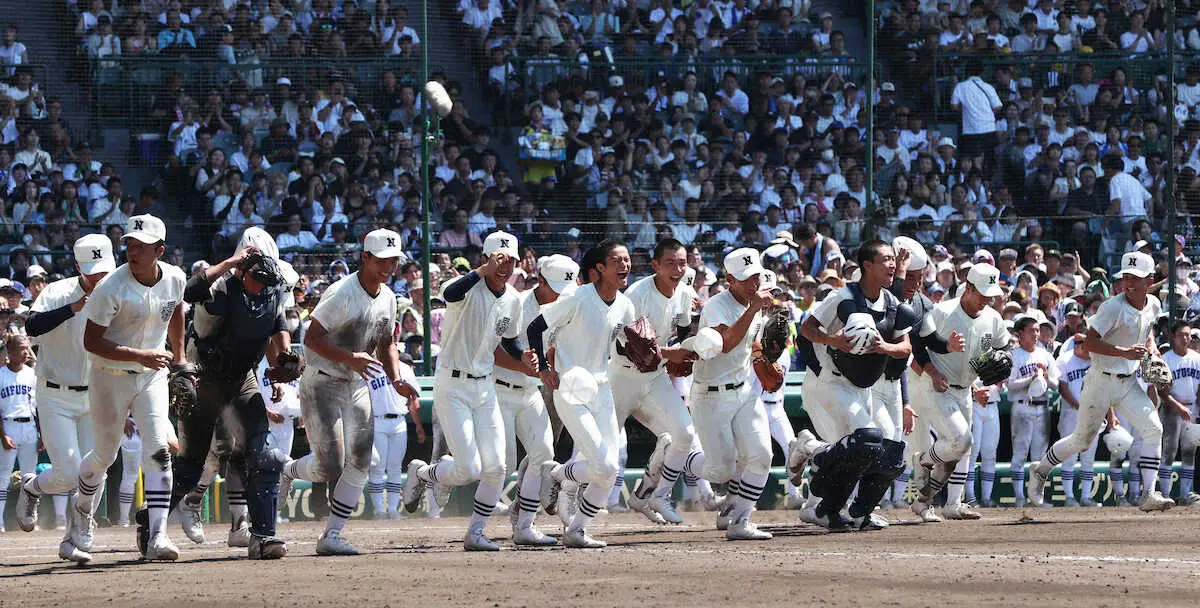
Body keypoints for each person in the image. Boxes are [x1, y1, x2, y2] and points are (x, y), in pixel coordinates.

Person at [69, 214, 188, 563]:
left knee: (158, 449)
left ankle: (159, 535)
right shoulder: (110, 288)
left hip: (150, 376)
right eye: (129, 245)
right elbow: (92, 342)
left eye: (141, 246)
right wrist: (141, 355)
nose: (132, 251)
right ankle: (81, 507)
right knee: (105, 456)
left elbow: (177, 309)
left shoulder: (175, 278)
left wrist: (179, 357)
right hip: (109, 376)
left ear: (160, 250)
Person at [279, 229, 406, 555]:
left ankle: (332, 535)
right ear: (365, 257)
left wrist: (395, 379)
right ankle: (287, 470)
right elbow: (311, 339)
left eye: (393, 261)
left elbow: (387, 342)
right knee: (329, 466)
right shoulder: (341, 292)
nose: (389, 267)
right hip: (321, 382)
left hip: (356, 383)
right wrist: (351, 357)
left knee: (362, 459)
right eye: (382, 260)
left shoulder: (389, 297)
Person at [401, 231, 524, 551]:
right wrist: (482, 271)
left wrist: (525, 356)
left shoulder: (512, 298)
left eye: (510, 260)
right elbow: (449, 292)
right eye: (499, 259)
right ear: (485, 259)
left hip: (485, 387)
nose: (505, 265)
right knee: (468, 468)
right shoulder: (469, 286)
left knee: (497, 467)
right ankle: (425, 473)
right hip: (452, 384)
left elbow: (508, 338)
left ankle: (476, 532)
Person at [168, 245, 293, 559]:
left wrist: (285, 359)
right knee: (190, 467)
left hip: (241, 378)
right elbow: (190, 289)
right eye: (257, 278)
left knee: (266, 454)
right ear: (243, 272)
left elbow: (278, 325)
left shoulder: (272, 289)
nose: (263, 286)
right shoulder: (223, 287)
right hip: (205, 378)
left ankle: (263, 536)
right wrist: (229, 262)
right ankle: (151, 518)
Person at [1028, 251, 1174, 511]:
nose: (1128, 283)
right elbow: (1091, 342)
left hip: (1128, 382)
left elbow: (1147, 330)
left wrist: (1151, 348)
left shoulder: (1153, 305)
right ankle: (1041, 469)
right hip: (1100, 380)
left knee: (1154, 429)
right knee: (1081, 440)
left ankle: (1149, 494)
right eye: (1126, 276)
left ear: (1150, 280)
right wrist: (1124, 352)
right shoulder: (1112, 307)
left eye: (1136, 278)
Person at [791, 240, 915, 529]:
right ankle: (825, 505)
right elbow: (807, 329)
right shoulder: (842, 296)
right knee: (864, 441)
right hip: (830, 383)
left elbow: (906, 347)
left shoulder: (893, 304)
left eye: (892, 260)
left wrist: (884, 347)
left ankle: (859, 510)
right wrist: (832, 340)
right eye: (885, 259)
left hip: (864, 388)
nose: (892, 265)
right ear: (867, 266)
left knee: (892, 451)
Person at [13, 234, 114, 562]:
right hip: (55, 393)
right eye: (93, 271)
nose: (99, 278)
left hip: (94, 394)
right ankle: (32, 487)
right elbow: (31, 327)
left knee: (97, 469)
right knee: (70, 473)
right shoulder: (57, 291)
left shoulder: (117, 293)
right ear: (78, 267)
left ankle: (75, 535)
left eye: (104, 271)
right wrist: (74, 308)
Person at [530, 241, 636, 548]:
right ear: (600, 269)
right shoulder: (577, 296)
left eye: (627, 259)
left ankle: (575, 524)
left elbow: (623, 346)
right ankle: (564, 477)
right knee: (601, 464)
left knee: (611, 468)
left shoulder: (625, 305)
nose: (625, 265)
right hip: (571, 388)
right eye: (617, 260)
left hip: (603, 389)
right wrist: (544, 369)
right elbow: (536, 327)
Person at [686, 247, 775, 540]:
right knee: (720, 471)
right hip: (710, 395)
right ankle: (674, 457)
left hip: (744, 390)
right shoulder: (716, 306)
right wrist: (753, 309)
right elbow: (725, 343)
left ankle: (739, 520)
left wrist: (767, 361)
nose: (754, 283)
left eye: (757, 276)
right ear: (730, 280)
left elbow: (752, 345)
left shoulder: (757, 302)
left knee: (762, 454)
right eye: (747, 278)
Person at [613, 239, 702, 525]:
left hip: (655, 378)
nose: (677, 269)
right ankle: (567, 488)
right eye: (670, 263)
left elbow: (685, 331)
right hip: (621, 377)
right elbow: (622, 345)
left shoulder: (685, 293)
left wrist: (684, 352)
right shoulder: (637, 294)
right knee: (601, 448)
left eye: (682, 263)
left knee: (684, 434)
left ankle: (656, 495)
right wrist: (671, 353)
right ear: (655, 266)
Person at [908, 263, 1006, 522]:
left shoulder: (993, 319)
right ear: (968, 288)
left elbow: (991, 354)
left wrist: (984, 384)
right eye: (983, 293)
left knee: (963, 449)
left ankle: (951, 504)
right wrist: (932, 372)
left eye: (991, 294)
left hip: (965, 389)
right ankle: (924, 461)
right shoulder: (942, 311)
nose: (987, 299)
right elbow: (917, 344)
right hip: (936, 386)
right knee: (962, 441)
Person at [492, 254, 577, 545]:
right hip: (499, 389)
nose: (560, 295)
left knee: (544, 454)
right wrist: (530, 366)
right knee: (498, 463)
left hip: (532, 391)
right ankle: (430, 475)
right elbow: (495, 349)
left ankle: (524, 523)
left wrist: (547, 368)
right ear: (540, 280)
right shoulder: (516, 302)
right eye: (554, 287)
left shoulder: (568, 304)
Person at [366, 344, 423, 519]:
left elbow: (414, 398)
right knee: (377, 467)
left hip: (399, 420)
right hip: (378, 420)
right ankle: (379, 510)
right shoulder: (370, 368)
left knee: (395, 467)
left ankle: (392, 509)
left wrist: (419, 425)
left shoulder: (404, 368)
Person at [1006, 315, 1056, 507]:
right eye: (1031, 330)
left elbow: (1056, 383)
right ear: (1020, 334)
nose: (1036, 334)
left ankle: (1037, 497)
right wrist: (1031, 378)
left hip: (1042, 407)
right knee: (1019, 454)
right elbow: (1010, 385)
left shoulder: (1044, 354)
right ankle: (1019, 498)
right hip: (1022, 407)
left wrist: (1045, 377)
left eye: (1037, 330)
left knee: (1039, 457)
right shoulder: (1014, 355)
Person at [1056, 329, 1104, 507]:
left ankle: (1085, 497)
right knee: (1069, 455)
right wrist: (1078, 405)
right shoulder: (1065, 359)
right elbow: (1062, 387)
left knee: (1088, 458)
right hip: (1071, 413)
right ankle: (1069, 496)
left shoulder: (1098, 360)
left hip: (1093, 414)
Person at [1157, 321, 1200, 504]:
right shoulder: (1166, 360)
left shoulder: (1197, 358)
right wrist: (1178, 407)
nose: (1185, 338)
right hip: (1172, 409)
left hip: (1193, 408)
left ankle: (1185, 493)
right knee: (1169, 451)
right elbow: (1161, 391)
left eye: (1188, 335)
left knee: (1190, 452)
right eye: (1181, 335)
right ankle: (1165, 495)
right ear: (1173, 337)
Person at [0, 335, 37, 532]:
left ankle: (27, 518)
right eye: (21, 349)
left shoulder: (32, 374)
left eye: (27, 348)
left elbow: (39, 407)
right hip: (8, 426)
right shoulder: (1, 374)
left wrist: (42, 433)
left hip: (29, 427)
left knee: (29, 477)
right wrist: (3, 434)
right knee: (3, 477)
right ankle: (0, 521)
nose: (25, 353)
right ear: (10, 351)